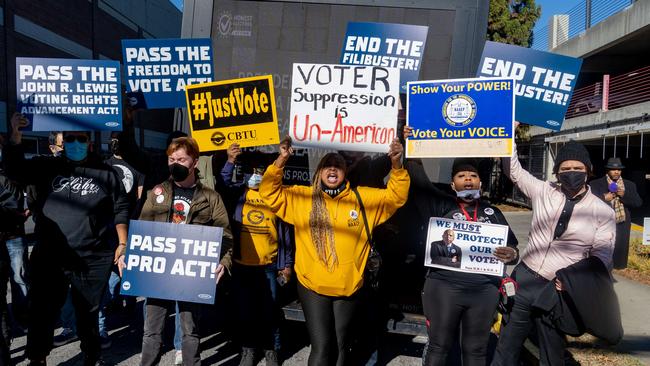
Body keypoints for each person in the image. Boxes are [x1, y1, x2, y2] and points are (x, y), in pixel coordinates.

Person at [259, 137, 410, 366]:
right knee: (322, 347)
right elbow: (269, 193)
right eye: (327, 164)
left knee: (340, 345)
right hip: (312, 285)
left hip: (347, 286)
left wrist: (396, 165)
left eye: (338, 165)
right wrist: (282, 159)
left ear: (345, 172)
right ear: (319, 172)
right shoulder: (302, 197)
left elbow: (396, 197)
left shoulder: (362, 198)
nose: (332, 168)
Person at [4, 113, 129, 366]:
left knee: (88, 315)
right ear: (61, 143)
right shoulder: (46, 166)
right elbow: (14, 169)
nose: (74, 143)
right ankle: (38, 358)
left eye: (79, 138)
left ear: (89, 142)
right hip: (50, 256)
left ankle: (92, 357)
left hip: (93, 258)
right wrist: (16, 134)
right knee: (43, 312)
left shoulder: (106, 173)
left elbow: (121, 208)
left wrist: (123, 244)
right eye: (69, 139)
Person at [491, 125, 615, 366]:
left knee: (552, 351)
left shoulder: (602, 211)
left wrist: (573, 280)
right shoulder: (543, 191)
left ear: (588, 171)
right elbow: (513, 171)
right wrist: (510, 132)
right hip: (524, 278)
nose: (571, 173)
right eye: (565, 168)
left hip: (558, 289)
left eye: (577, 169)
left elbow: (602, 256)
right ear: (557, 172)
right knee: (507, 344)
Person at [402, 128, 519, 366]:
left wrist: (511, 254)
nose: (468, 179)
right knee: (439, 346)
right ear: (453, 184)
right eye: (462, 175)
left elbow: (513, 248)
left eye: (473, 175)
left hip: (484, 291)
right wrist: (410, 142)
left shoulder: (492, 212)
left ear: (481, 183)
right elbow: (417, 177)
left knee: (476, 350)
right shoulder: (440, 205)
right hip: (444, 288)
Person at [118, 136, 233, 366]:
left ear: (195, 163)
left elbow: (226, 235)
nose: (175, 163)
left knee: (190, 331)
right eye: (171, 159)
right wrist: (127, 254)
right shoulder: (157, 192)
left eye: (181, 159)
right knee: (151, 331)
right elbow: (142, 229)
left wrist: (224, 261)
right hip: (157, 272)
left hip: (190, 273)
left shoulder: (210, 198)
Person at [221, 143, 294, 366]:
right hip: (242, 264)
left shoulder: (277, 196)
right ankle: (248, 350)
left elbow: (287, 235)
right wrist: (231, 160)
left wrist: (287, 264)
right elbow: (223, 182)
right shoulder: (239, 192)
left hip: (269, 265)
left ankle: (272, 350)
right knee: (245, 311)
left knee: (270, 312)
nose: (256, 176)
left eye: (261, 172)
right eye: (253, 172)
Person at [590, 157, 642, 269]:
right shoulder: (595, 184)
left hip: (621, 223)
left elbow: (638, 203)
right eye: (613, 169)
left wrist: (624, 195)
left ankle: (616, 268)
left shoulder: (629, 185)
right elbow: (588, 203)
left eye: (619, 169)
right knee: (601, 248)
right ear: (607, 170)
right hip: (602, 223)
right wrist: (604, 197)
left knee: (619, 251)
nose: (616, 171)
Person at [0, 171, 27, 364]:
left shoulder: (7, 175)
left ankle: (22, 321)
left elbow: (14, 204)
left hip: (13, 236)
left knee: (19, 280)